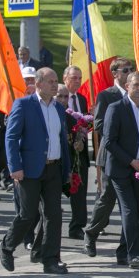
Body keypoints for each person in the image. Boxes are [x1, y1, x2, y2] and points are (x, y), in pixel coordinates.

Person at [0, 67, 71, 274]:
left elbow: (61, 141)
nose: (54, 85)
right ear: (38, 84)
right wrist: (15, 167)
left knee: (54, 215)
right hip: (28, 170)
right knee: (28, 215)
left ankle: (49, 259)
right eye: (50, 81)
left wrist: (66, 169)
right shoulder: (23, 105)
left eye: (56, 81)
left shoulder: (58, 108)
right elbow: (11, 138)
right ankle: (7, 247)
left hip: (53, 169)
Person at [84, 58, 139, 258]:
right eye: (125, 70)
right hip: (113, 156)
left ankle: (127, 246)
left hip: (135, 159)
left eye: (132, 69)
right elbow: (100, 126)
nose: (130, 72)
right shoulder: (107, 96)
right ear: (115, 74)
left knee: (131, 205)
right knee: (107, 199)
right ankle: (91, 233)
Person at [103, 71, 139, 268]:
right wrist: (131, 161)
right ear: (127, 86)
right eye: (136, 85)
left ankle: (122, 252)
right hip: (121, 169)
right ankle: (134, 254)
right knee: (129, 211)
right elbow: (109, 141)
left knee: (136, 210)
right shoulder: (116, 108)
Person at [63, 66, 90, 239]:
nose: (77, 81)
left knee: (80, 192)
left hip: (80, 153)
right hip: (64, 152)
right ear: (65, 78)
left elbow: (85, 124)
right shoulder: (59, 98)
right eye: (74, 78)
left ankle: (77, 226)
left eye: (80, 78)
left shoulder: (81, 99)